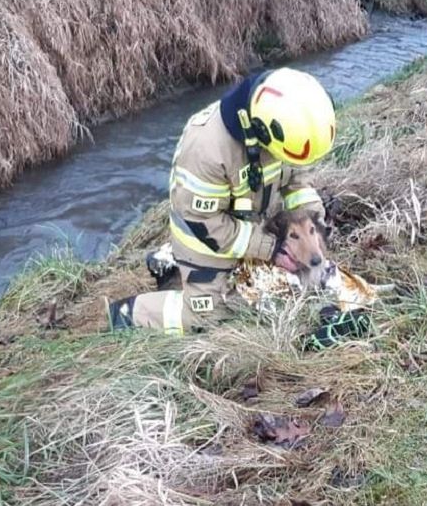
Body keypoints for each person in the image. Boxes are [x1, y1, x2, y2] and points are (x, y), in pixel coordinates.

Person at [106, 67, 335, 334]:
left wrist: (314, 225)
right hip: (206, 236)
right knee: (207, 316)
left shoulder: (288, 120)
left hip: (251, 226)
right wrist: (271, 249)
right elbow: (204, 222)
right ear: (263, 131)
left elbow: (298, 183)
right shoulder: (206, 148)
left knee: (289, 288)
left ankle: (166, 260)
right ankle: (127, 313)